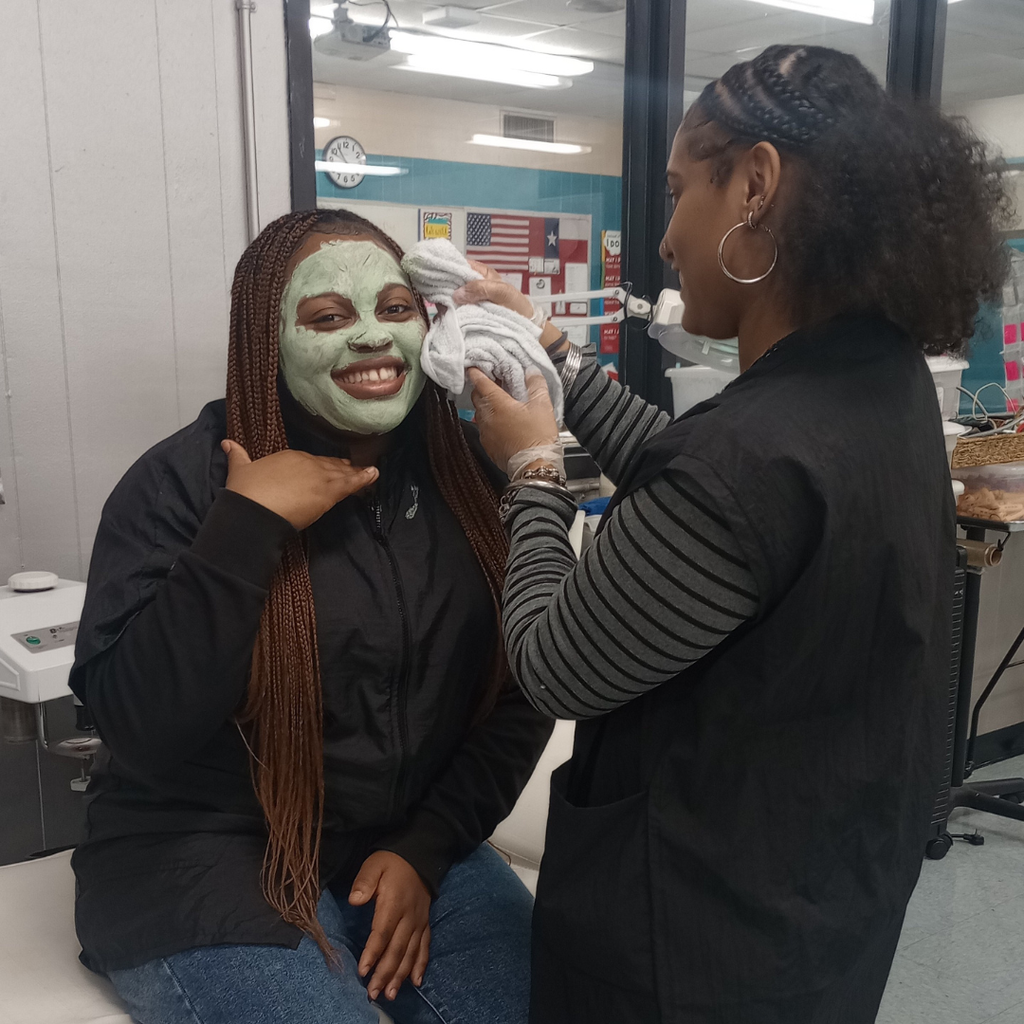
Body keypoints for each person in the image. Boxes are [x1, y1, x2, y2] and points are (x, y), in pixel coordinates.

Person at [464, 45, 1011, 1024]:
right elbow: (704, 485)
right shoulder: (870, 387)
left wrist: (532, 467)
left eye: (678, 191)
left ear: (753, 184)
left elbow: (552, 665)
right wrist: (559, 359)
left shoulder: (752, 457)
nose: (667, 237)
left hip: (692, 948)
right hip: (822, 899)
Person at [69, 208, 553, 1024]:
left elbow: (523, 692)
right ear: (267, 340)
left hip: (405, 838)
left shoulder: (470, 481)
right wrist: (244, 530)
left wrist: (428, 848)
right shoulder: (177, 487)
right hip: (202, 856)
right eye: (329, 317)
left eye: (396, 310)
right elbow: (139, 730)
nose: (371, 337)